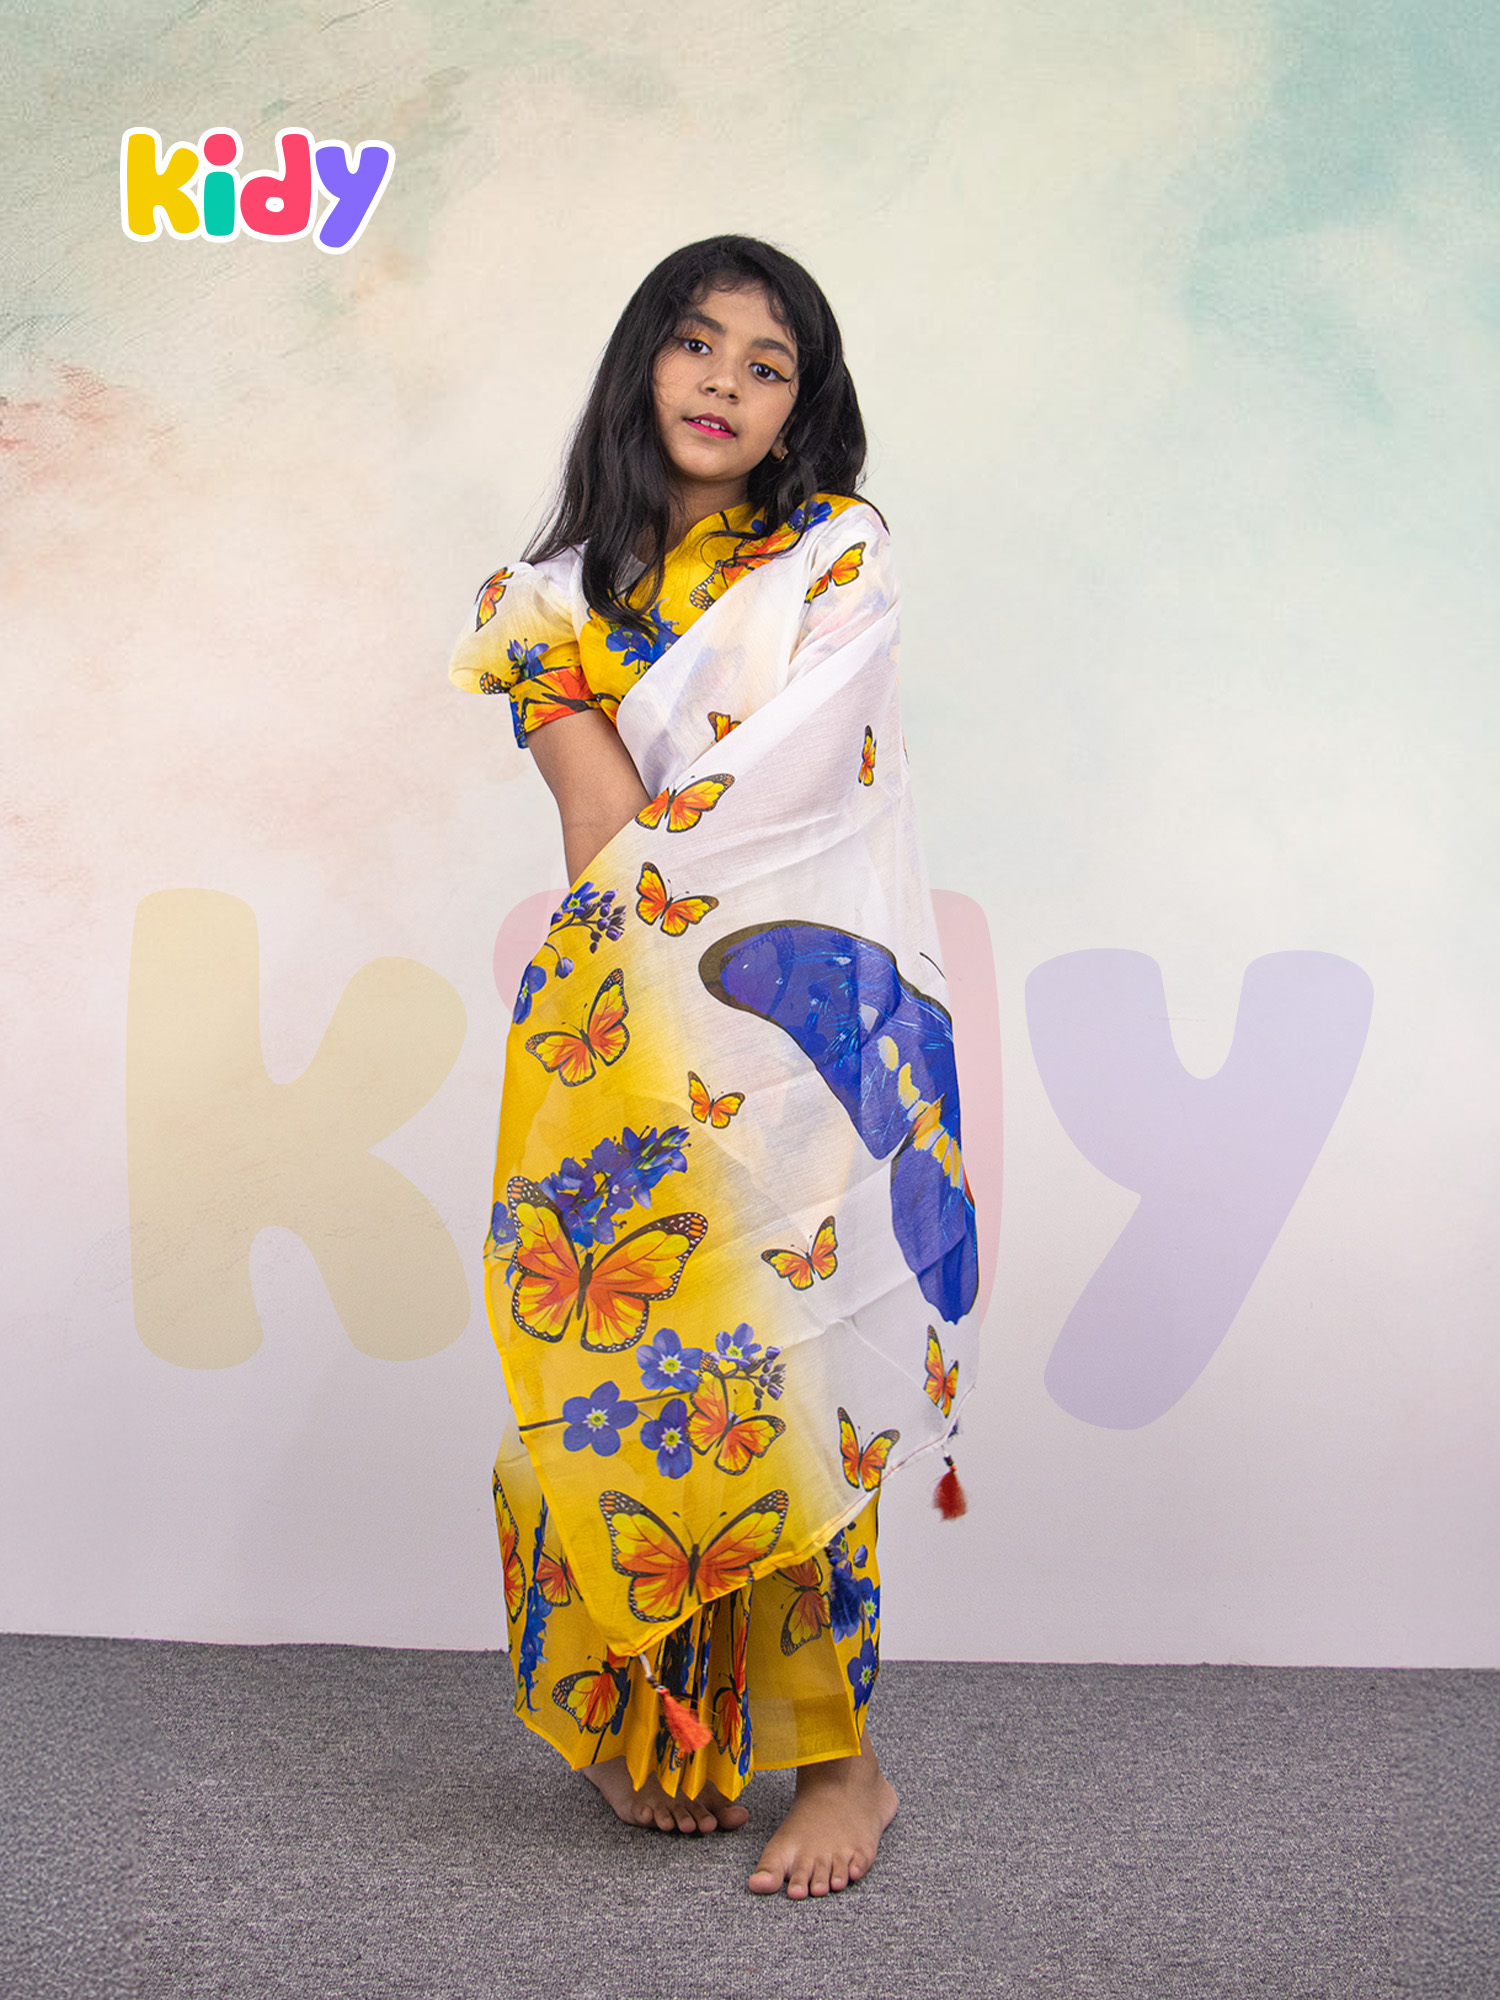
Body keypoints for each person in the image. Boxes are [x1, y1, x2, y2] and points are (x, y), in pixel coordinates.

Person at [449, 235, 978, 1900]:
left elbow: (798, 804)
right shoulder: (542, 605)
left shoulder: (834, 559)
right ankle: (663, 1725)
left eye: (769, 365)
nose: (726, 384)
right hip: (616, 1029)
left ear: (799, 409)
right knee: (622, 1367)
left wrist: (669, 843)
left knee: (787, 1373)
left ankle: (844, 1763)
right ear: (644, 362)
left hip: (794, 1026)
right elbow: (608, 836)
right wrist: (581, 708)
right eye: (698, 344)